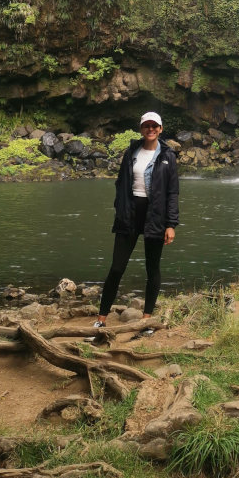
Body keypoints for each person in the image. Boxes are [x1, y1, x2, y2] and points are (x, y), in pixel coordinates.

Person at [94, 111, 179, 335]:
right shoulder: (131, 151)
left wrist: (171, 224)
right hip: (130, 214)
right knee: (116, 268)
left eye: (155, 126)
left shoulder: (168, 156)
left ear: (160, 129)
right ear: (141, 129)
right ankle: (101, 319)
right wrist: (119, 208)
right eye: (146, 125)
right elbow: (121, 183)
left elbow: (173, 192)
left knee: (152, 269)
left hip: (156, 216)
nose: (150, 129)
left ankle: (146, 321)